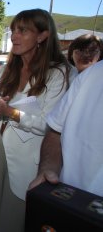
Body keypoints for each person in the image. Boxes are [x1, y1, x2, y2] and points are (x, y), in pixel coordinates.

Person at [0, 9, 76, 232]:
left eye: (22, 30)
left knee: (11, 221)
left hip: (27, 161)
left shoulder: (61, 74)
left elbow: (50, 125)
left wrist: (10, 112)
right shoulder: (9, 68)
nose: (14, 36)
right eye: (13, 31)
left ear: (42, 36)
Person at [29, 60, 103, 196]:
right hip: (69, 199)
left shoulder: (63, 73)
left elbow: (44, 122)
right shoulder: (91, 75)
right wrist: (48, 168)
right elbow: (55, 132)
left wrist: (12, 113)